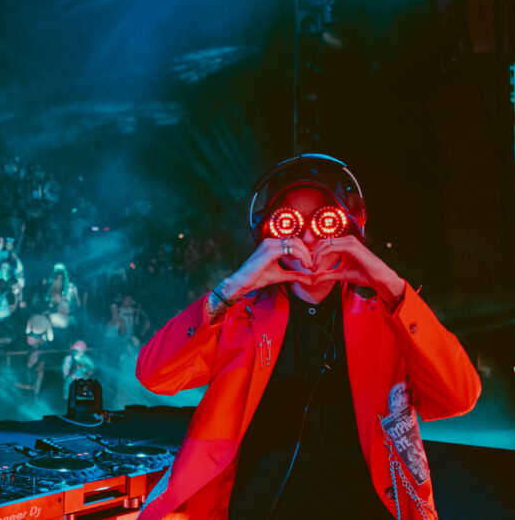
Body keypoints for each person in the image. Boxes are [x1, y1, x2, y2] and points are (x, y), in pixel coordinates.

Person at [135, 154, 481, 519]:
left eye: (324, 221)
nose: (308, 236)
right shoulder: (239, 320)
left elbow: (459, 396)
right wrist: (231, 288)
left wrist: (392, 287)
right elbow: (156, 375)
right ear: (269, 233)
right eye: (289, 222)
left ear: (348, 231)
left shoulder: (388, 321)